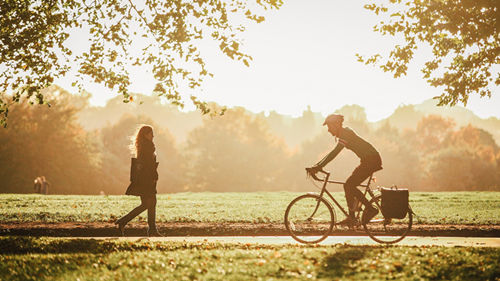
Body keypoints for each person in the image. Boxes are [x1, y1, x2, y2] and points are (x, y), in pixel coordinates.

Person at [307, 114, 382, 226]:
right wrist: (317, 166)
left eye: (329, 126)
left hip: (371, 160)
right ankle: (352, 217)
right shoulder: (344, 133)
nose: (328, 130)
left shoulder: (346, 134)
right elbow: (331, 153)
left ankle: (370, 209)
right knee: (348, 185)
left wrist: (318, 167)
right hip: (368, 160)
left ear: (336, 125)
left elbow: (334, 153)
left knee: (349, 185)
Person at [115, 125, 162, 237]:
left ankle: (151, 230)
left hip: (145, 180)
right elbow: (148, 165)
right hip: (147, 180)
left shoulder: (143, 146)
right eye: (151, 133)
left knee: (149, 204)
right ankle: (124, 222)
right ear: (145, 135)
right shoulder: (148, 147)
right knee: (148, 204)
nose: (153, 136)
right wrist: (153, 177)